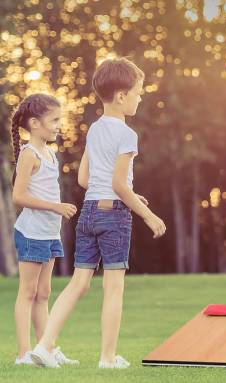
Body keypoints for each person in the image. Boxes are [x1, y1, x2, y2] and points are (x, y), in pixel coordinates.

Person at [31, 58, 167, 368]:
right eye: (138, 92)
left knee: (78, 283)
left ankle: (44, 345)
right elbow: (119, 184)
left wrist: (129, 195)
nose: (140, 97)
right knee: (114, 287)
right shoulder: (127, 134)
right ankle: (107, 358)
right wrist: (148, 214)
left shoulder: (94, 129)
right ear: (121, 95)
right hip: (114, 216)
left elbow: (83, 180)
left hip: (89, 212)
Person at [11, 93, 78, 366]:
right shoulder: (29, 154)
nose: (58, 125)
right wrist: (55, 207)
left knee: (44, 293)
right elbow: (18, 196)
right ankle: (24, 354)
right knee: (27, 292)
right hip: (31, 233)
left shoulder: (50, 153)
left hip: (49, 234)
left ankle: (45, 348)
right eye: (54, 120)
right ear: (36, 123)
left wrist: (55, 211)